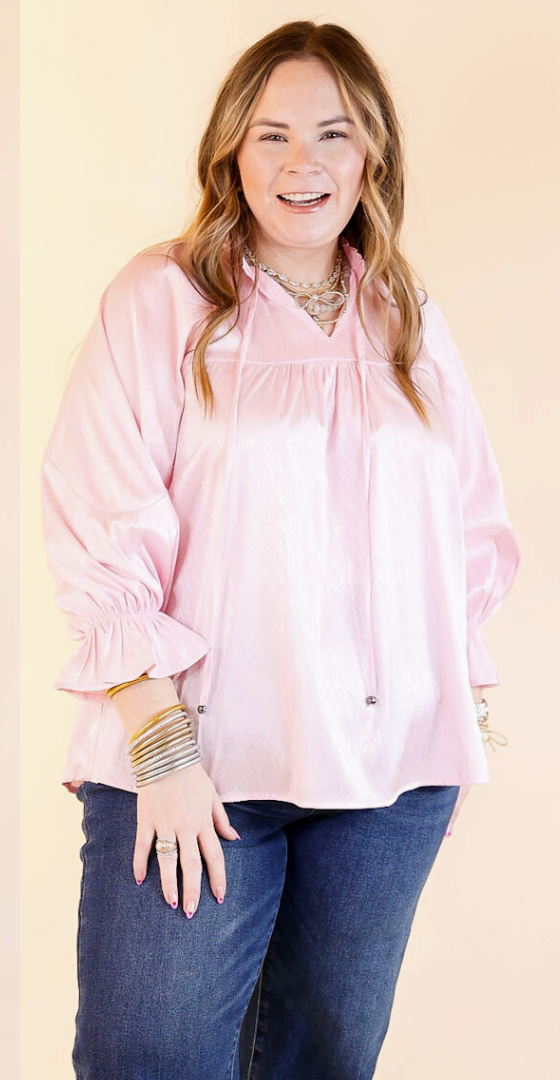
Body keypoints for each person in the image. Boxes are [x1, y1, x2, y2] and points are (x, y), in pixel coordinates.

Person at [41, 20, 518, 1080]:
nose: (304, 162)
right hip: (197, 758)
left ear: (372, 154)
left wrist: (458, 716)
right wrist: (162, 751)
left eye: (333, 134)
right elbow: (98, 519)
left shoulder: (406, 315)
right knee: (149, 1055)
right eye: (273, 135)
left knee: (324, 1058)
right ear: (232, 152)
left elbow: (468, 529)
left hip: (386, 780)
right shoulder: (162, 299)